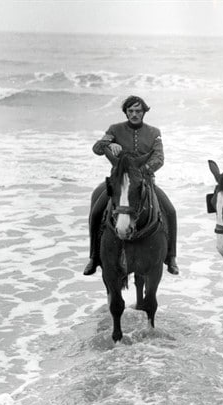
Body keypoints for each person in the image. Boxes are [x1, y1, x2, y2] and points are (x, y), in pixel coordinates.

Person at [83, 95, 179, 275]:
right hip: (119, 183)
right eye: (131, 111)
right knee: (96, 212)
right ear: (126, 112)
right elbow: (96, 149)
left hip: (144, 182)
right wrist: (110, 144)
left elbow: (159, 158)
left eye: (138, 111)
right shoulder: (114, 129)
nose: (134, 114)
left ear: (144, 112)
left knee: (171, 211)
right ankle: (94, 257)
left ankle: (171, 257)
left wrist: (140, 173)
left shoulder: (154, 132)